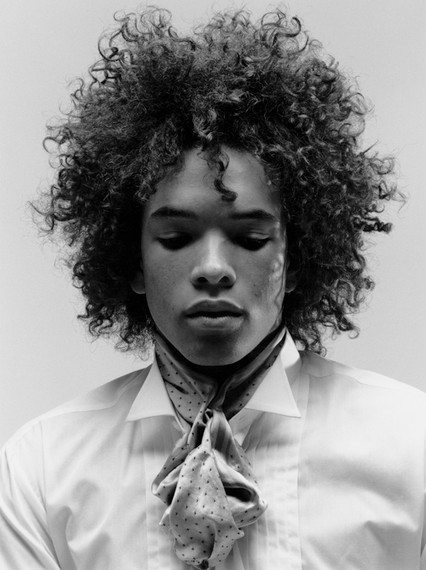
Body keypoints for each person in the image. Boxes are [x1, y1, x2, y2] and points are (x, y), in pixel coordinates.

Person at [0, 7, 425, 570]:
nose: (213, 268)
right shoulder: (42, 471)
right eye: (176, 238)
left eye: (250, 238)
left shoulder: (413, 447)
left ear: (297, 260)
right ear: (131, 261)